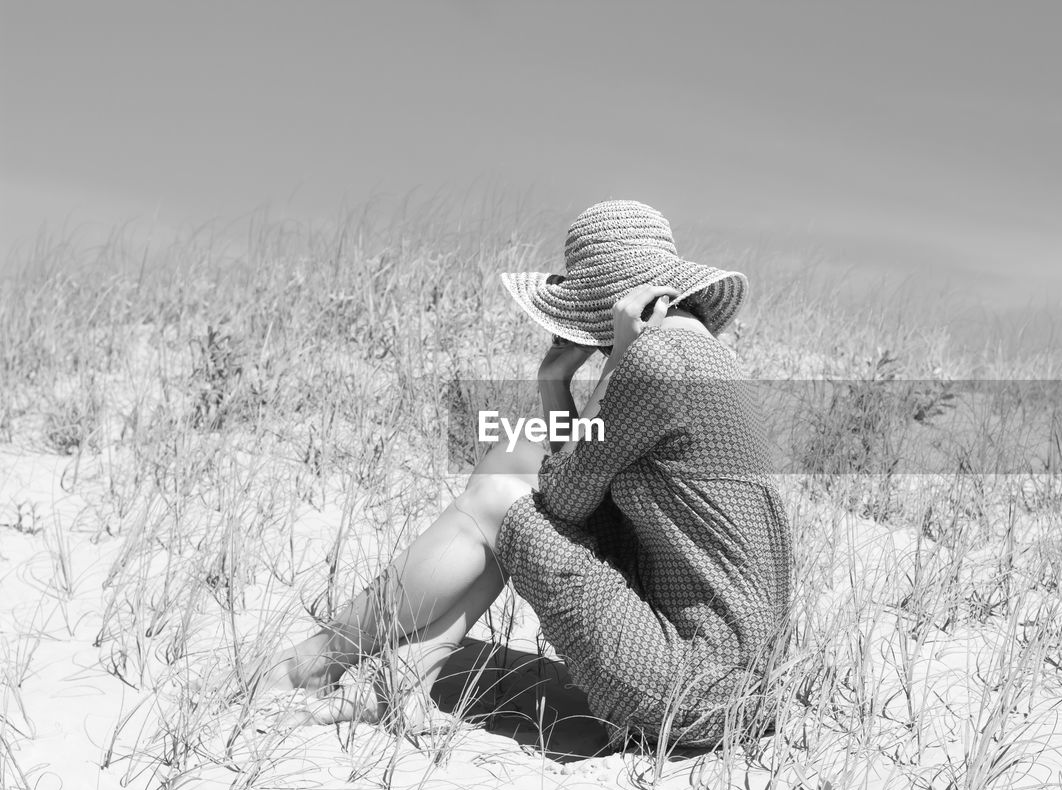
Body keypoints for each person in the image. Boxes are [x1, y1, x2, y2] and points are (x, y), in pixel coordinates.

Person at [259, 200, 793, 748]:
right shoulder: (699, 350)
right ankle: (408, 672)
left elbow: (562, 495)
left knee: (497, 500)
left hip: (690, 684)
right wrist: (554, 380)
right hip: (742, 684)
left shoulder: (655, 361)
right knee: (513, 456)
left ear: (609, 305)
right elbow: (580, 477)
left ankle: (315, 662)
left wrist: (612, 364)